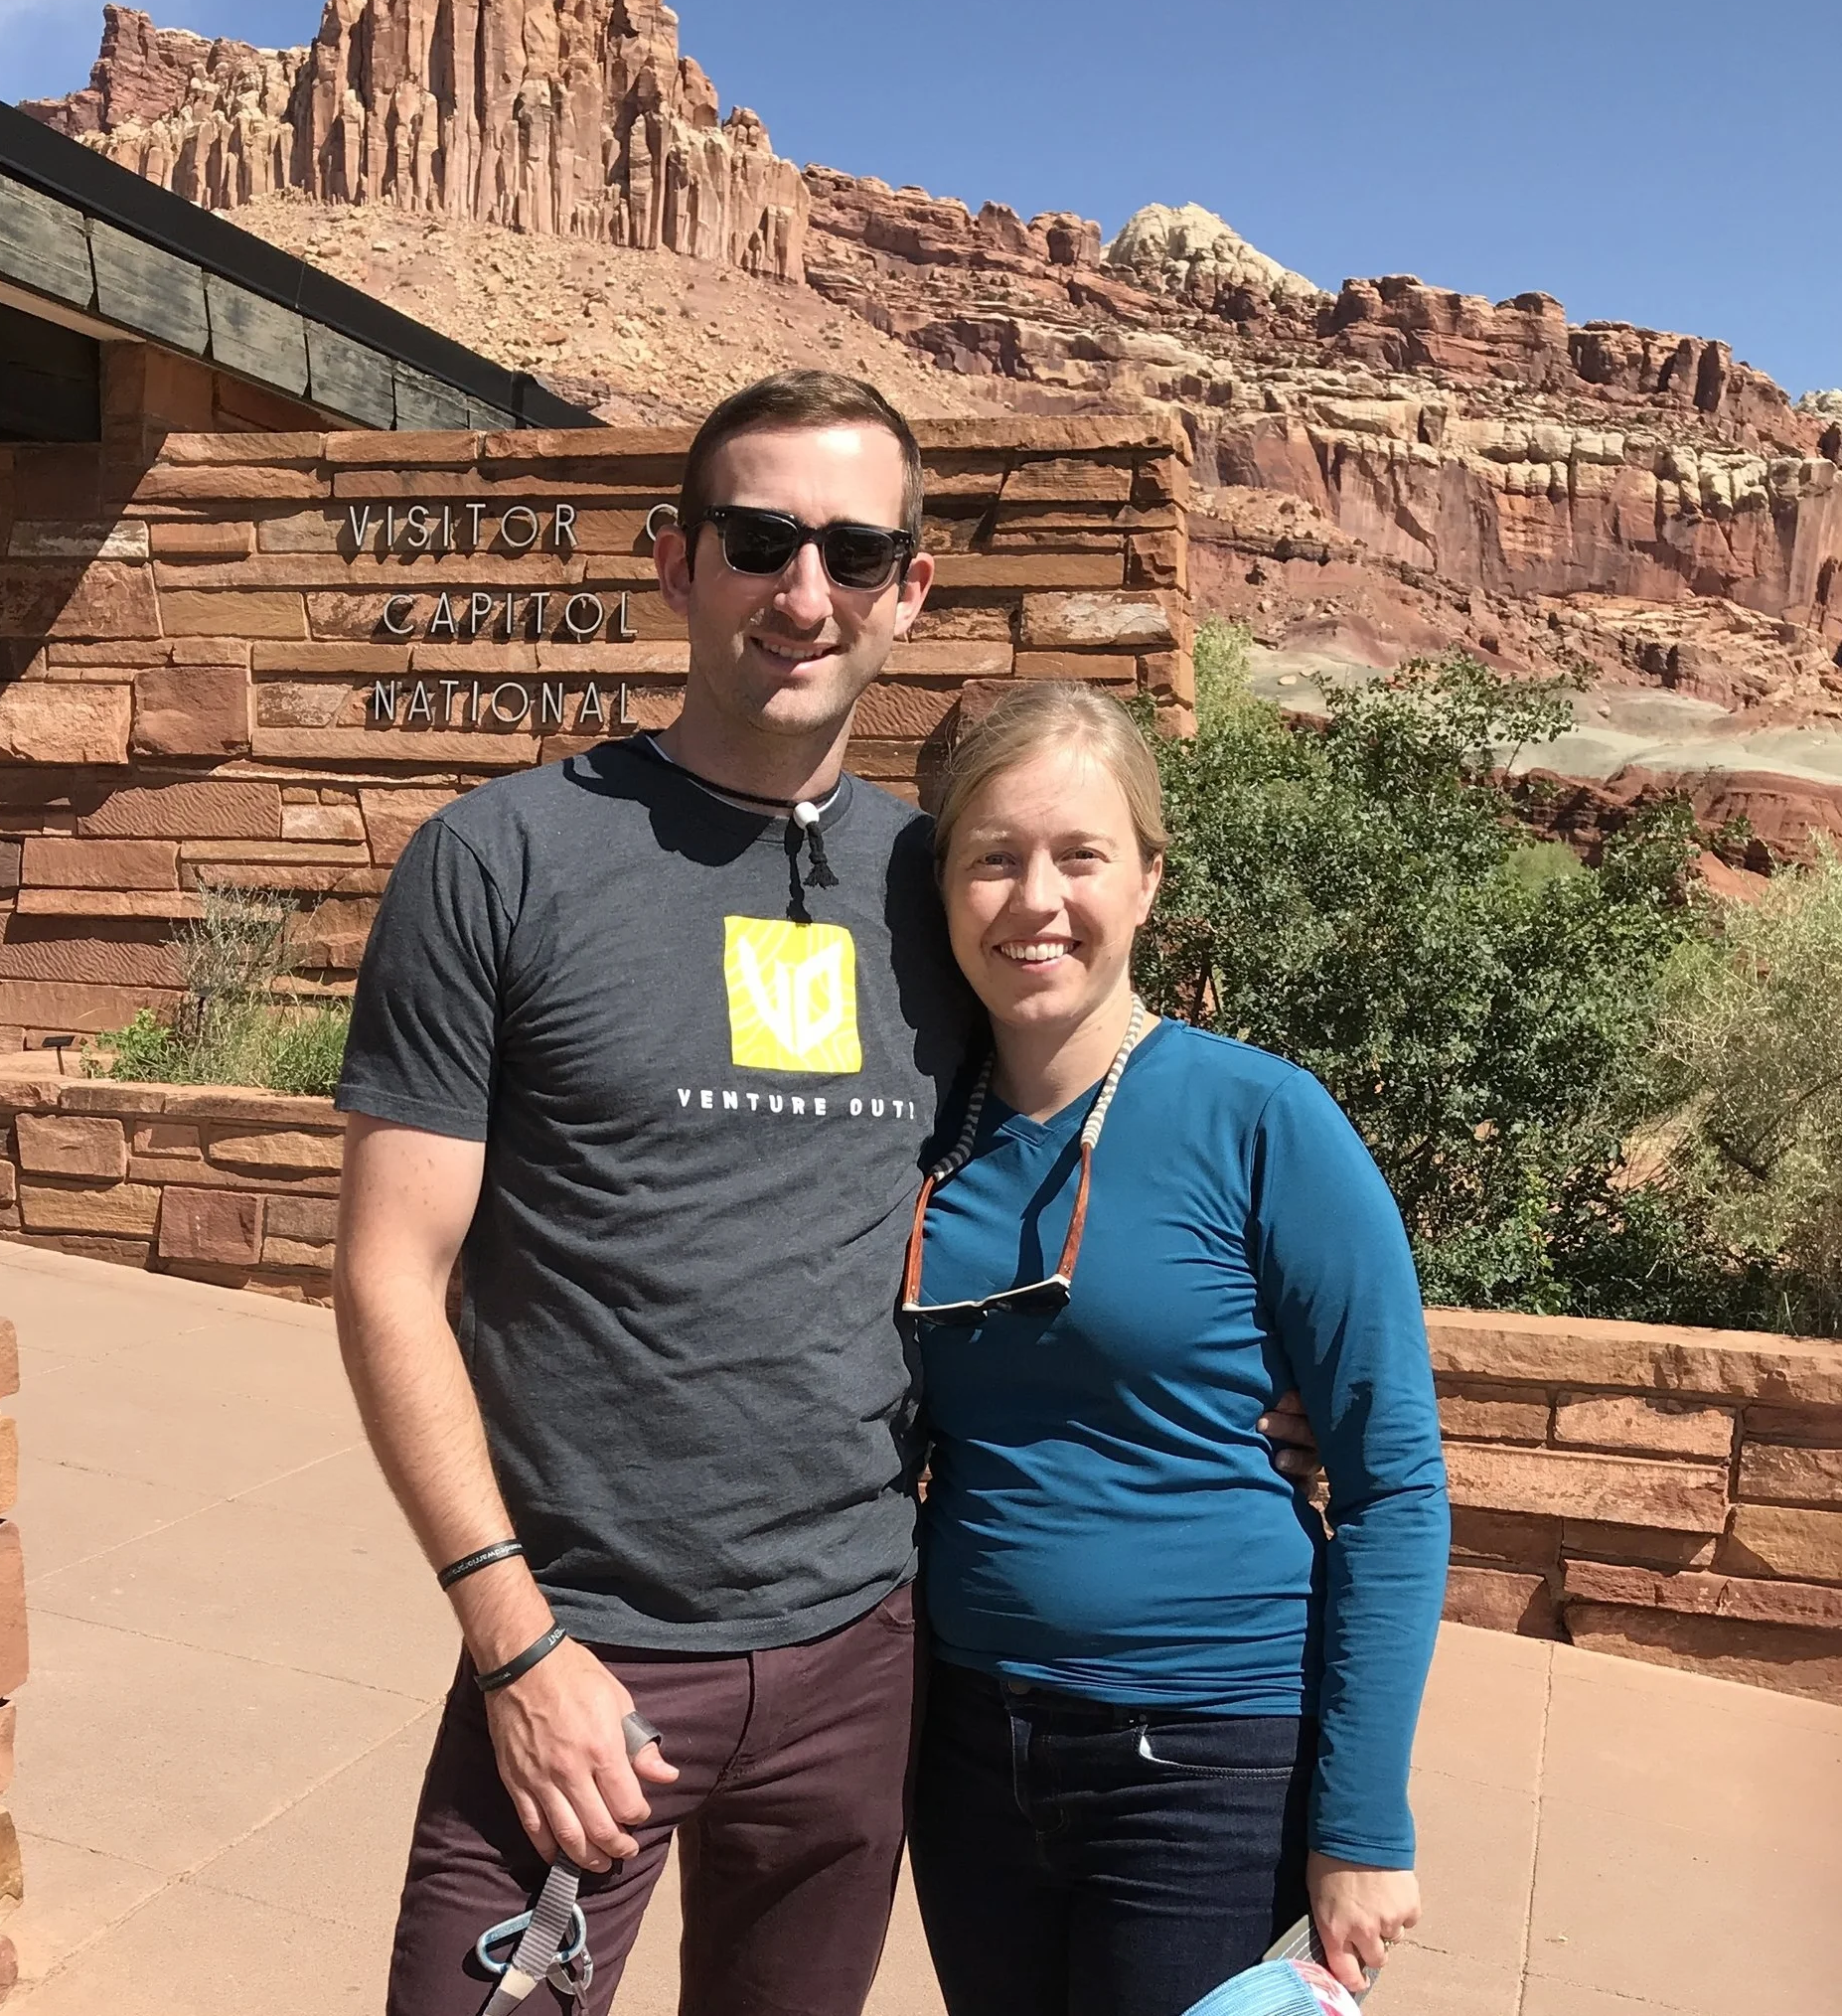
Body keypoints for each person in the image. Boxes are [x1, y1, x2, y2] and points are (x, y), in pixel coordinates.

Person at [333, 371, 1318, 2016]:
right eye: (762, 539)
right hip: (584, 1645)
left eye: (856, 552)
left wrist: (1244, 1380)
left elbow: (1056, 1159)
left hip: (865, 1660)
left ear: (908, 588)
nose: (807, 593)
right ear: (677, 560)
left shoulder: (937, 885)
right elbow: (385, 1279)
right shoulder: (499, 861)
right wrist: (513, 1646)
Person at [903, 682, 1451, 2016]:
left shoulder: (1263, 1122)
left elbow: (1393, 1484)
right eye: (995, 857)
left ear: (1147, 879)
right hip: (966, 1740)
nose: (1037, 899)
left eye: (1081, 855)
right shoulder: (917, 1127)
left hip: (1206, 1755)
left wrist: (1363, 1820)